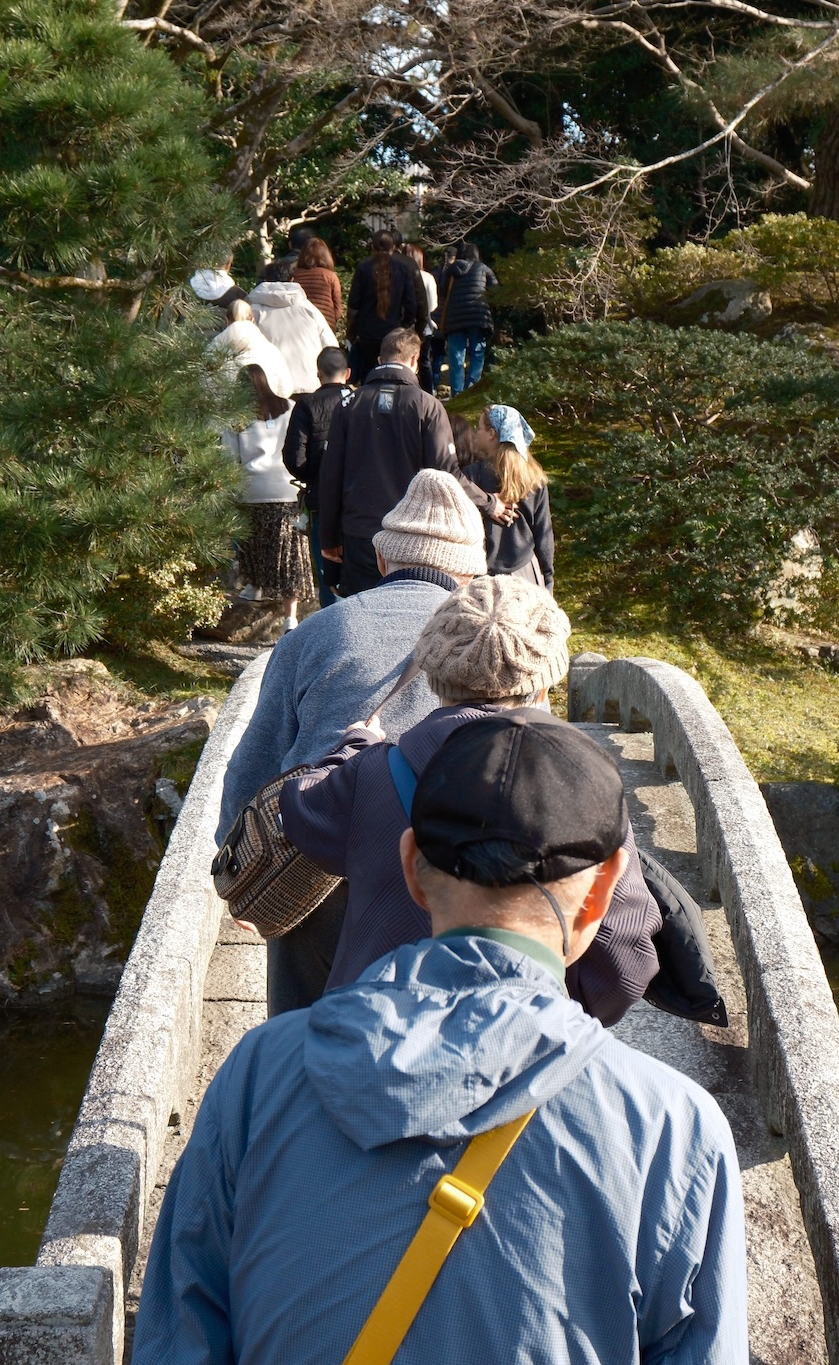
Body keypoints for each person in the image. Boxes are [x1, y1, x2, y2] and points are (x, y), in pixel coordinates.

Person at [132, 708, 747, 1365]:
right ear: (602, 895)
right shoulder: (672, 1129)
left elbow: (179, 1338)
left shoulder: (257, 1077)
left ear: (411, 868)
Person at [282, 575, 662, 1024]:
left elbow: (302, 808)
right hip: (527, 1038)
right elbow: (624, 957)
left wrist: (357, 744)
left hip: (373, 1033)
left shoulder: (375, 772)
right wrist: (564, 1023)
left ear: (436, 680)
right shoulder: (584, 782)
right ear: (543, 685)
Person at [219, 469, 489, 1014]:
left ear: (384, 560)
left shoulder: (317, 631)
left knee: (300, 1038)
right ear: (471, 572)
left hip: (317, 866)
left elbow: (253, 766)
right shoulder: (493, 641)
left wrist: (239, 867)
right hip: (445, 876)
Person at [317, 326, 454, 597]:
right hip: (413, 535)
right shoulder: (428, 406)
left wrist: (329, 538)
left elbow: (330, 476)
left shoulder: (348, 405)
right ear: (415, 361)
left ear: (380, 360)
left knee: (360, 617)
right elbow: (444, 475)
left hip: (360, 533)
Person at [223, 364, 311, 630]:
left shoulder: (236, 417)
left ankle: (254, 586)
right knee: (290, 552)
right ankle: (290, 617)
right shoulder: (291, 407)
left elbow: (229, 457)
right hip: (288, 486)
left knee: (255, 540)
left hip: (253, 488)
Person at [281, 346, 354, 608]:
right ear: (347, 373)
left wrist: (315, 476)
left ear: (318, 373)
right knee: (361, 571)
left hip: (322, 500)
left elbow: (294, 458)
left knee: (327, 573)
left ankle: (333, 638)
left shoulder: (307, 405)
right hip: (360, 500)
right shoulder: (362, 402)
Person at [463, 403, 554, 587]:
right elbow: (544, 537)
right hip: (526, 577)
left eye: (479, 428)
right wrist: (548, 581)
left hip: (481, 578)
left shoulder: (471, 478)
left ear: (491, 434)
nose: (476, 433)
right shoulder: (534, 480)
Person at [345, 229, 422, 376]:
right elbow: (411, 304)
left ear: (372, 247)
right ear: (393, 247)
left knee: (368, 376)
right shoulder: (403, 269)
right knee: (392, 374)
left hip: (367, 333)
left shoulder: (363, 268)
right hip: (393, 332)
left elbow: (354, 305)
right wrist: (405, 325)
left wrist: (352, 333)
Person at [247, 278, 339, 398]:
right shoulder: (308, 308)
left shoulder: (253, 311)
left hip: (273, 387)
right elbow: (330, 346)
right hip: (309, 382)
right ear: (291, 279)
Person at [437, 242, 500, 394]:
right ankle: (472, 387)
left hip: (455, 317)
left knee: (456, 355)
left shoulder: (451, 270)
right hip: (478, 315)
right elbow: (495, 292)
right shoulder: (483, 268)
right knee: (477, 352)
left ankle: (457, 392)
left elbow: (443, 292)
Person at [207, 298, 295, 396]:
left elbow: (205, 386)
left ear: (226, 320)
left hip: (227, 409)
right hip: (269, 408)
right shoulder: (271, 351)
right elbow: (285, 388)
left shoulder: (214, 349)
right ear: (252, 319)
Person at [399, 243, 441, 395]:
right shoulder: (428, 277)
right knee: (424, 362)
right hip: (425, 326)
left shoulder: (399, 275)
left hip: (402, 327)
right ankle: (428, 393)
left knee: (402, 361)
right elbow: (434, 304)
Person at [291, 236, 343, 329]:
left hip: (300, 324)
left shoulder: (294, 275)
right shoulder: (330, 276)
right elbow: (338, 309)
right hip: (325, 326)